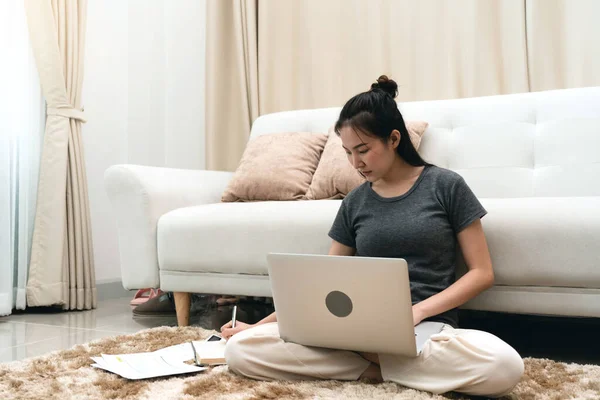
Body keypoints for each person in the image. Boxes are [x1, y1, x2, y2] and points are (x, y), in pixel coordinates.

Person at [220, 76, 524, 398]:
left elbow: (481, 273)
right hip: (355, 331)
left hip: (425, 329)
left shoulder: (446, 186)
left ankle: (374, 366)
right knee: (241, 350)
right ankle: (377, 367)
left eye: (363, 150)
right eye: (348, 152)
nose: (355, 163)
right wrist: (258, 327)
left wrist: (417, 311)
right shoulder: (355, 201)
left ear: (394, 139)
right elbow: (322, 283)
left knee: (504, 365)